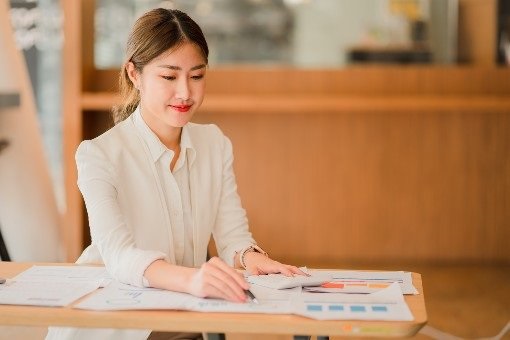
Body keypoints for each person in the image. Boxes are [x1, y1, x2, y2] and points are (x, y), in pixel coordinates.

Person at [47, 7, 304, 340]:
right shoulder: (98, 155)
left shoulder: (214, 143)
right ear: (134, 74)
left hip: (185, 319)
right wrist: (192, 279)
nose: (185, 92)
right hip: (112, 324)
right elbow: (119, 256)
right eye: (169, 77)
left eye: (196, 76)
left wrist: (251, 257)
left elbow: (232, 237)